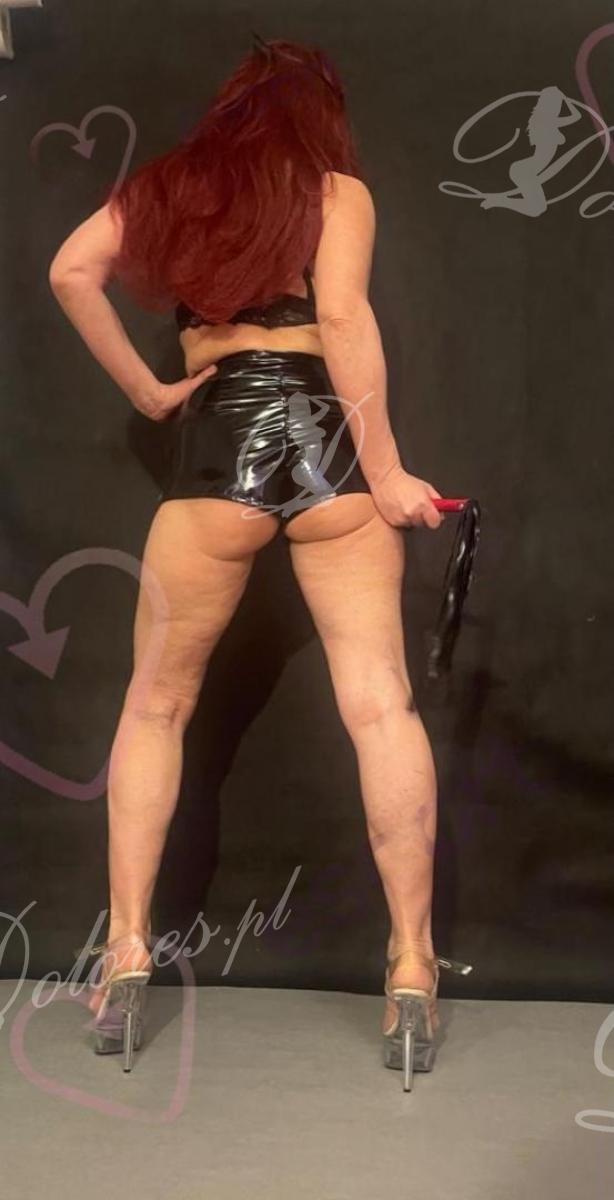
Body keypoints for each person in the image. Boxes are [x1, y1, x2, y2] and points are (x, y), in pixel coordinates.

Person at [49, 35, 471, 1087]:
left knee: (155, 706)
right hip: (330, 449)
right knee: (380, 707)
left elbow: (70, 270)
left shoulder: (173, 188)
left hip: (216, 449)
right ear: (320, 113)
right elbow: (341, 317)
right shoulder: (335, 190)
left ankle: (127, 952)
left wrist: (149, 394)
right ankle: (410, 967)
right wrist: (385, 473)